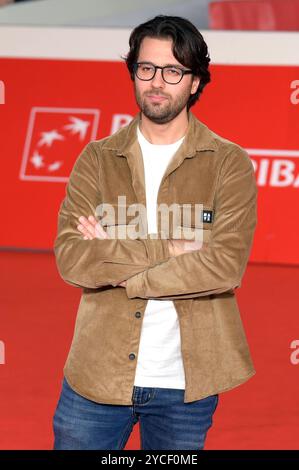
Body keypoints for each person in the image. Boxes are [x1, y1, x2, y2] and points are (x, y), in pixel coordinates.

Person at [52, 15, 257, 450]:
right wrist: (175, 248)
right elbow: (72, 258)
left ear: (196, 81)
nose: (157, 82)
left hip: (185, 382)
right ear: (133, 72)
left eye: (173, 71)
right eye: (146, 69)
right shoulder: (97, 158)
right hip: (95, 374)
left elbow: (224, 266)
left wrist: (119, 261)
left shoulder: (228, 162)